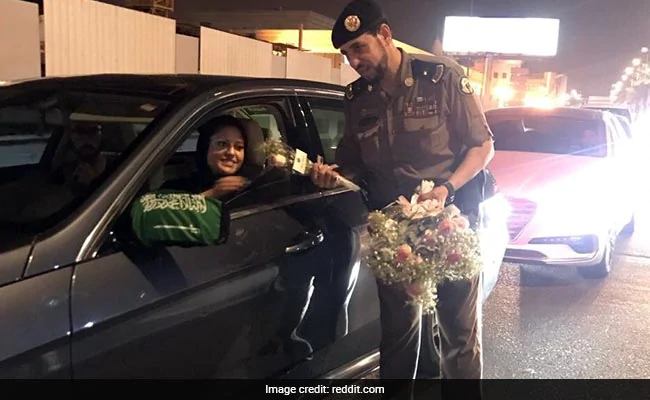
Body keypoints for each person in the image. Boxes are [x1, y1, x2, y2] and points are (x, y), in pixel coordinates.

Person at [310, 0, 494, 394]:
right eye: (346, 54)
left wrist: (447, 189)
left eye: (359, 48)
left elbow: (482, 146)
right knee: (398, 337)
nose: (353, 61)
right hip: (396, 237)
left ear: (385, 35)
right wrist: (333, 176)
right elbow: (354, 164)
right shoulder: (358, 98)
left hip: (450, 227)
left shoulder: (442, 77)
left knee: (458, 339)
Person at [164, 115, 251, 200]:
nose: (231, 153)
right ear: (205, 147)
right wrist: (212, 194)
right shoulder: (175, 188)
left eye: (239, 147)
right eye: (222, 144)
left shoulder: (251, 190)